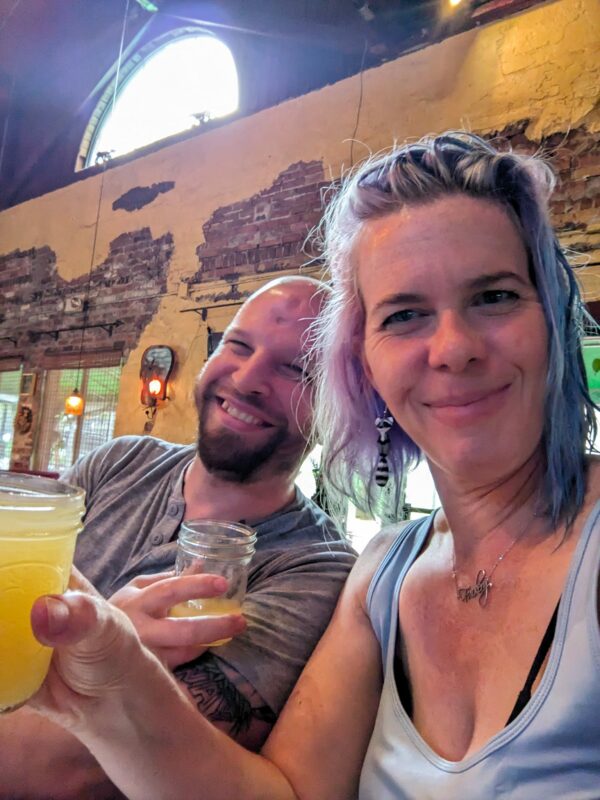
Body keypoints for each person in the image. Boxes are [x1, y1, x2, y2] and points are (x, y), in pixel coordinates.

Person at [28, 132, 600, 799]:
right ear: (366, 369)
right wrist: (110, 678)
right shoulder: (382, 571)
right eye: (406, 314)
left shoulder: (323, 570)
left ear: (555, 316)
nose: (452, 348)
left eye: (495, 297)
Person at [0, 275, 356, 800]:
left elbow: (64, 773)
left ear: (335, 408)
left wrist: (115, 657)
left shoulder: (315, 569)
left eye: (295, 370)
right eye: (237, 345)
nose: (248, 378)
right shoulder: (118, 462)